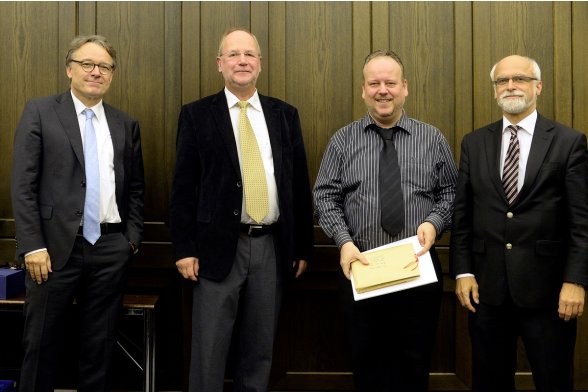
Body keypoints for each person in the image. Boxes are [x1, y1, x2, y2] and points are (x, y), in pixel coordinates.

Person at [170, 28, 314, 392]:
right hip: (216, 249)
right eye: (233, 55)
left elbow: (298, 186)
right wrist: (184, 249)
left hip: (271, 247)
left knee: (259, 348)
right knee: (209, 349)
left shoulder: (285, 115)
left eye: (249, 54)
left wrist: (302, 248)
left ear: (260, 64)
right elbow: (183, 188)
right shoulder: (197, 115)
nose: (242, 61)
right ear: (220, 64)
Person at [314, 50, 458, 392]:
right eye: (374, 83)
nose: (383, 90)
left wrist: (435, 222)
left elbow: (452, 193)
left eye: (390, 82)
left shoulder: (432, 139)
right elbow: (323, 197)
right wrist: (344, 242)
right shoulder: (342, 141)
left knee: (414, 363)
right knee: (367, 365)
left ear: (404, 87)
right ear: (363, 90)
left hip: (417, 270)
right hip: (361, 267)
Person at [11, 35, 145, 391]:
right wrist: (32, 247)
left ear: (112, 75)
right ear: (70, 69)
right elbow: (23, 185)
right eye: (88, 64)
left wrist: (130, 241)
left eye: (104, 67)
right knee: (40, 345)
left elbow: (134, 188)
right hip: (51, 252)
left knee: (99, 347)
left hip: (110, 247)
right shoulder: (40, 112)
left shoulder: (124, 124)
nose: (96, 72)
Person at [450, 55, 588, 392]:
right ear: (494, 90)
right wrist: (463, 272)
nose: (510, 85)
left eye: (520, 79)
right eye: (502, 81)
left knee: (554, 380)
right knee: (489, 382)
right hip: (487, 292)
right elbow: (462, 214)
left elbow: (581, 221)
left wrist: (576, 280)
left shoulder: (568, 142)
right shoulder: (474, 142)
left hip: (549, 293)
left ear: (538, 87)